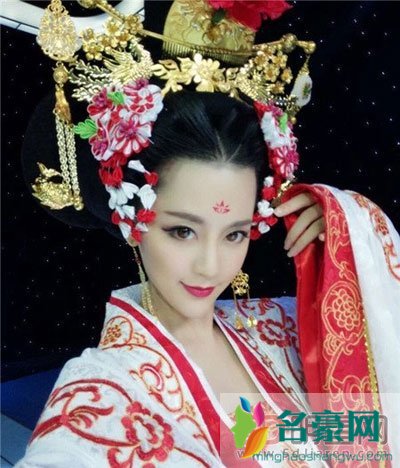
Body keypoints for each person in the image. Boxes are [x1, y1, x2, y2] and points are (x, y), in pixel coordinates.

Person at [15, 0, 400, 466]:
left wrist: (348, 242)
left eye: (235, 234)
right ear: (132, 220)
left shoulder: (278, 329)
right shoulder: (99, 398)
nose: (211, 266)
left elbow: (350, 432)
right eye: (182, 231)